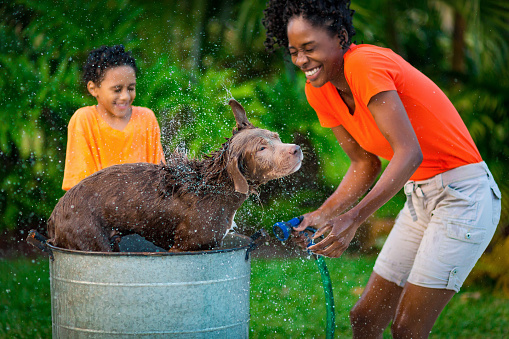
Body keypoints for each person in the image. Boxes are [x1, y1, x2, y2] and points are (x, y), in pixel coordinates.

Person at [263, 1, 501, 338]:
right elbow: (364, 162)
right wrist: (324, 213)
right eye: (294, 51)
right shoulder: (320, 91)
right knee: (366, 316)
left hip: (464, 197)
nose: (302, 60)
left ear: (341, 37)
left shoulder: (363, 64)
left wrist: (353, 218)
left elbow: (409, 154)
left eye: (310, 48)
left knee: (407, 327)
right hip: (421, 197)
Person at [62, 45, 166, 191]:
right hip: (97, 210)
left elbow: (160, 179)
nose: (125, 96)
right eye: (117, 90)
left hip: (143, 210)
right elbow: (80, 189)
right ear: (93, 89)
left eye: (131, 88)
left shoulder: (146, 118)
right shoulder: (84, 120)